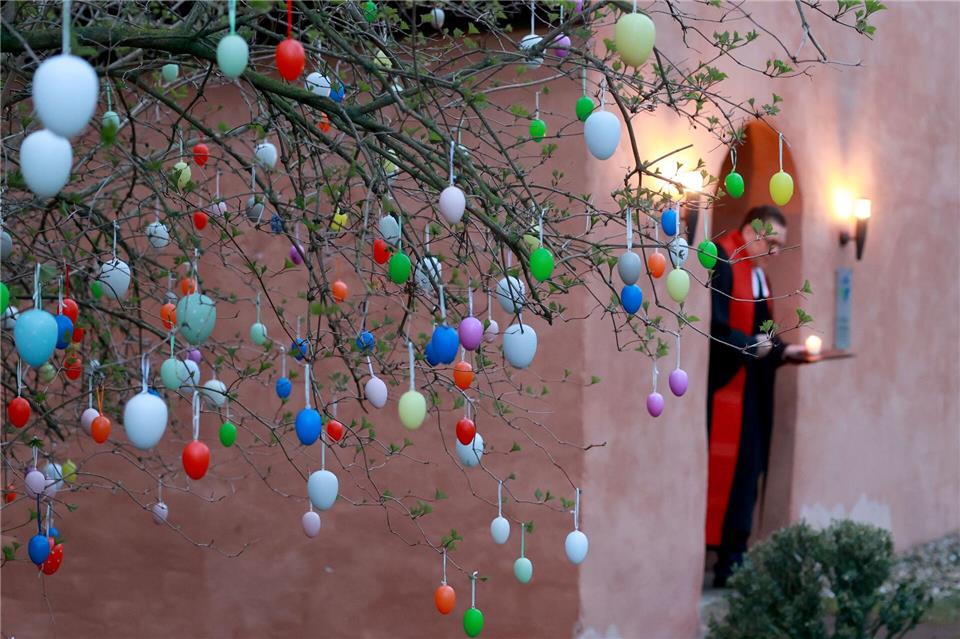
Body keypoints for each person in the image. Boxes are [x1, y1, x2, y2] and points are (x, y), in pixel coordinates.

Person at [705, 204, 806, 588]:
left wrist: (785, 351)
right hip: (728, 391)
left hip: (753, 393)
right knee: (737, 475)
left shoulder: (757, 274)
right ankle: (728, 564)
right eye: (774, 244)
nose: (777, 253)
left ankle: (737, 555)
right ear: (753, 232)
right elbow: (715, 328)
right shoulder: (724, 262)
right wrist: (750, 346)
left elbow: (764, 332)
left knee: (750, 473)